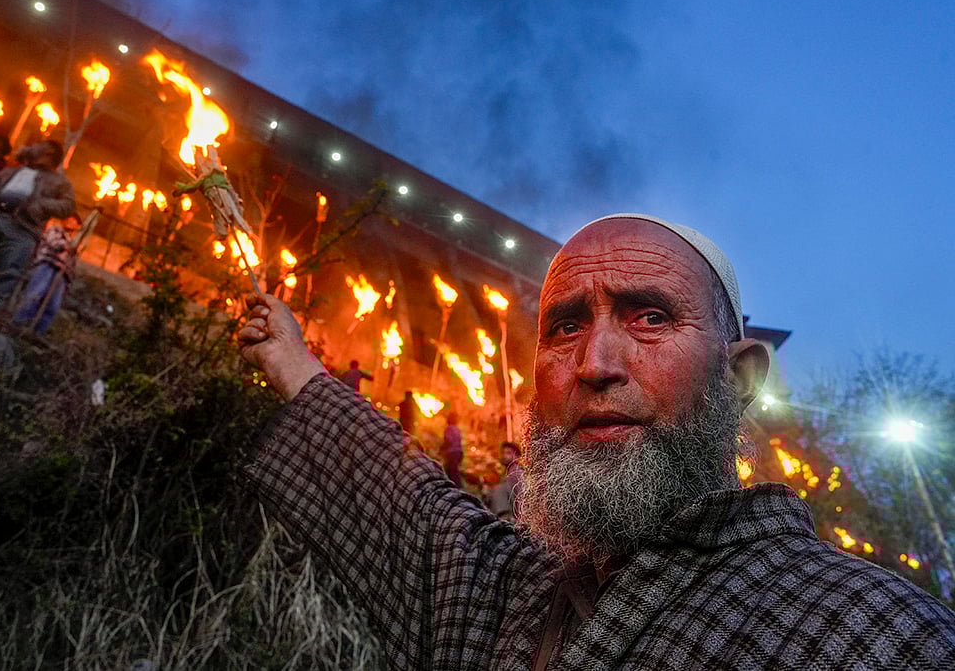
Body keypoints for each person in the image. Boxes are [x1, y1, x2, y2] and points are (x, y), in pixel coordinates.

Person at [238, 214, 955, 669]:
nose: (595, 363)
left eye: (649, 317)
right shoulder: (505, 596)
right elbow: (406, 503)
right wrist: (296, 366)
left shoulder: (878, 636)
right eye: (565, 326)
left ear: (739, 378)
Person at [0, 140, 75, 326]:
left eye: (40, 147)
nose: (33, 148)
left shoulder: (59, 182)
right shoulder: (13, 169)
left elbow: (68, 205)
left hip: (23, 231)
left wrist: (41, 205)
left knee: (8, 275)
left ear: (49, 154)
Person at [12, 214, 81, 335]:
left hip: (62, 275)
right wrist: (67, 247)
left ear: (78, 226)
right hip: (48, 265)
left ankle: (38, 332)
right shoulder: (55, 230)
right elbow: (54, 243)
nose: (69, 223)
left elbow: (73, 265)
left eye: (73, 222)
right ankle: (19, 324)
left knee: (52, 306)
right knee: (35, 294)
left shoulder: (74, 244)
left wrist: (68, 282)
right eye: (68, 220)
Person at [488, 441, 523, 521]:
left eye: (508, 453)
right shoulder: (508, 472)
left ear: (516, 456)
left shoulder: (516, 473)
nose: (504, 456)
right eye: (503, 453)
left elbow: (521, 496)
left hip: (512, 518)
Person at [442, 412, 463, 488]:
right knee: (452, 471)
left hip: (452, 453)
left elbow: (448, 441)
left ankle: (458, 489)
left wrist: (441, 449)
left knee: (452, 473)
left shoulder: (448, 429)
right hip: (459, 453)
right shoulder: (457, 429)